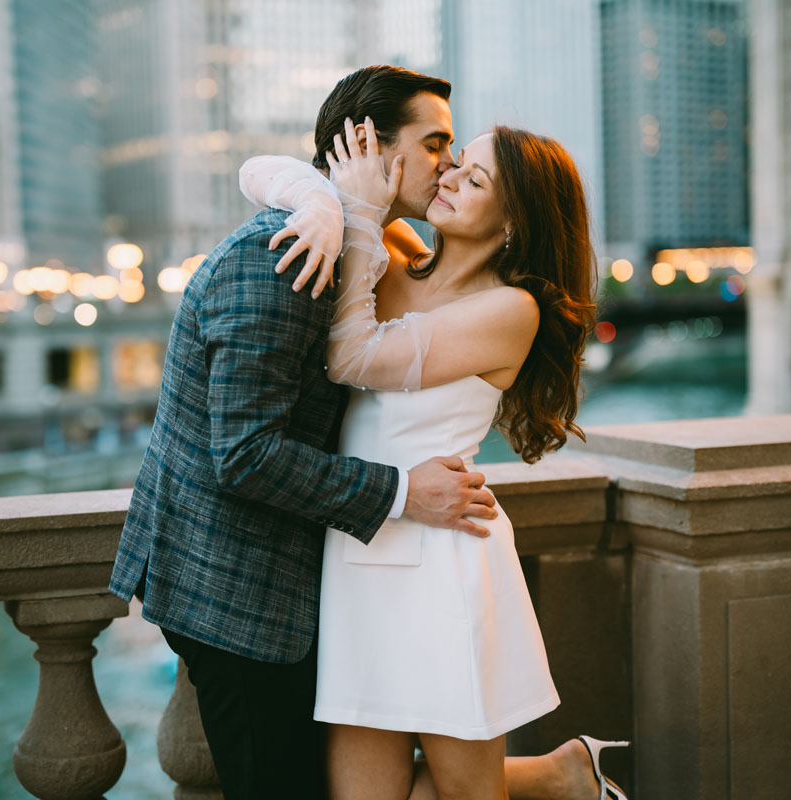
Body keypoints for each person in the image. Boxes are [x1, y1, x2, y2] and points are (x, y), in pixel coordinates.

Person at [107, 65, 501, 800]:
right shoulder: (285, 258)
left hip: (294, 582)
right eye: (436, 142)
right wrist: (403, 491)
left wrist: (324, 197)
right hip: (235, 595)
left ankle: (551, 777)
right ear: (364, 143)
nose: (448, 163)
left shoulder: (366, 246)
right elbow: (246, 457)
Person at [237, 101, 630, 798]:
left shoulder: (513, 309)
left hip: (445, 559)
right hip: (358, 554)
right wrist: (328, 206)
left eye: (473, 180)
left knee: (469, 793)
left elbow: (351, 355)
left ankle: (559, 777)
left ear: (513, 224)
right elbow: (259, 171)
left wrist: (356, 220)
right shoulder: (396, 258)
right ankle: (556, 777)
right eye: (455, 164)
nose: (446, 178)